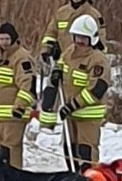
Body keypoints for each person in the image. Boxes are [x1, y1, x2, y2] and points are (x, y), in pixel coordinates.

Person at [38, 0, 106, 130]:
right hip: (63, 59)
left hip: (83, 61)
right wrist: (47, 49)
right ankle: (47, 125)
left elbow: (100, 41)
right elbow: (51, 32)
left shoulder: (93, 15)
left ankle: (74, 117)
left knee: (77, 92)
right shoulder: (61, 13)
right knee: (51, 89)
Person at [45, 14, 109, 168]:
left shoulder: (98, 59)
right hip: (70, 114)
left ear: (92, 39)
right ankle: (73, 180)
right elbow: (61, 63)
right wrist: (56, 72)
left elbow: (96, 90)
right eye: (77, 37)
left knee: (85, 152)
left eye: (83, 38)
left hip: (88, 116)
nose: (79, 41)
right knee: (69, 150)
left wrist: (72, 105)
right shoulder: (70, 52)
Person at [0, 22, 35, 169]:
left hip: (13, 116)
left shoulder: (21, 58)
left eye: (7, 39)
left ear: (13, 39)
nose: (4, 43)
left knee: (11, 151)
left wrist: (19, 107)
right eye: (1, 39)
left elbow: (28, 85)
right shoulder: (2, 58)